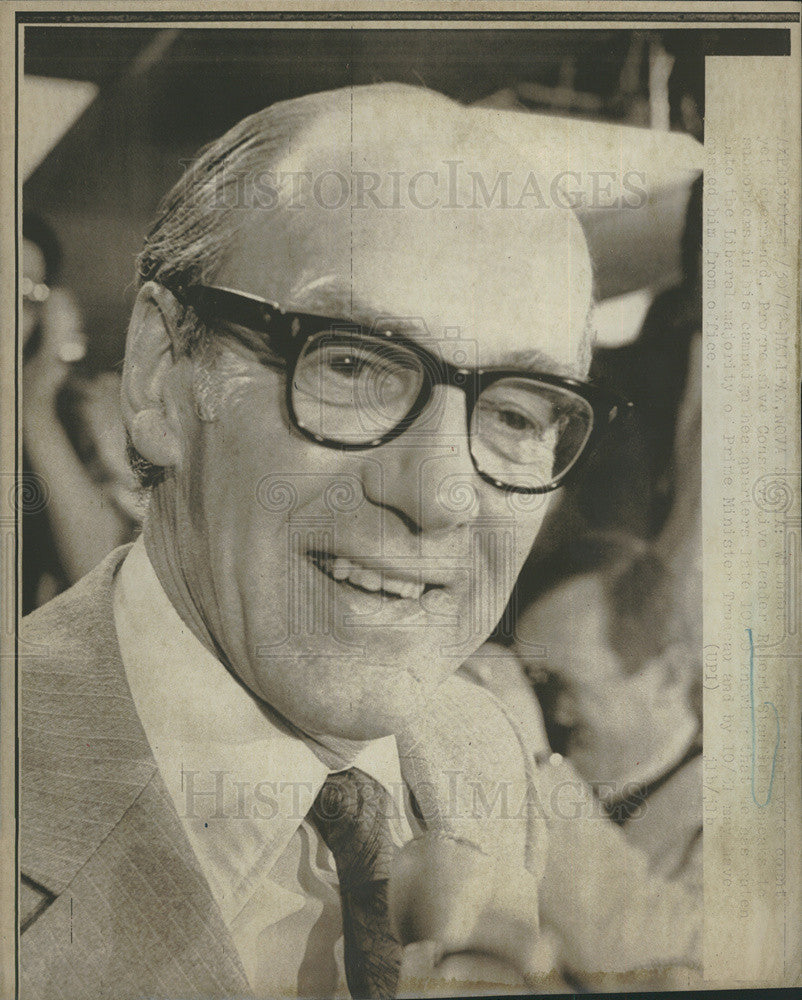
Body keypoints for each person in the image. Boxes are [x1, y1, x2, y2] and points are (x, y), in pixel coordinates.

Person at [20, 84, 695, 999]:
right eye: (352, 365)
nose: (443, 496)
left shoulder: (484, 746)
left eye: (516, 411)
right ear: (161, 375)